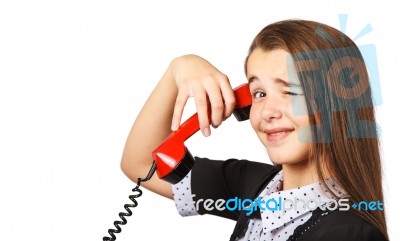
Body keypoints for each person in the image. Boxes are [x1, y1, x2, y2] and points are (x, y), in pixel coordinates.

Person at [120, 19, 388, 241]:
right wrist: (179, 68)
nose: (268, 111)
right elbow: (141, 164)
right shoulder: (256, 188)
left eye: (291, 91)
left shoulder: (348, 234)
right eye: (258, 93)